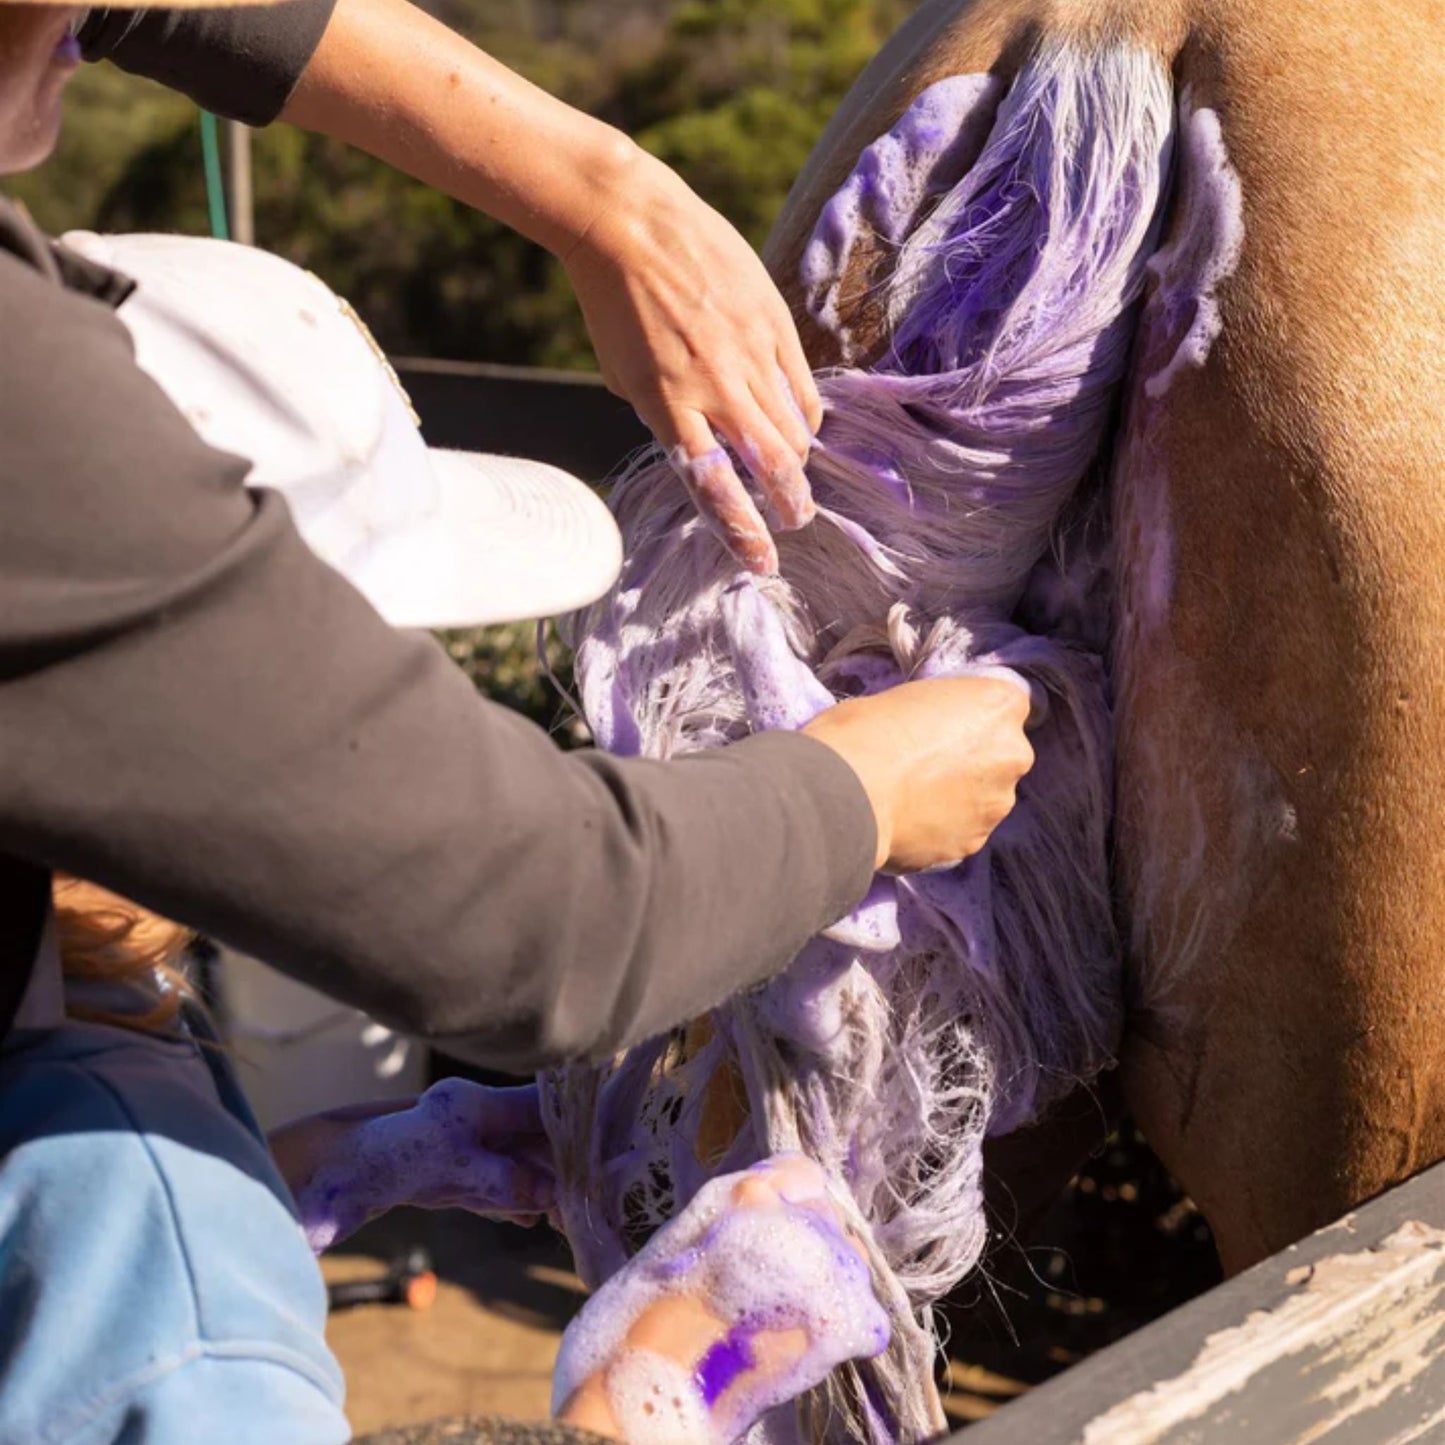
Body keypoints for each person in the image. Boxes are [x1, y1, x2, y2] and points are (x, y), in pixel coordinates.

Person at [0, 0, 1034, 1438]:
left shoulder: (73, 1131)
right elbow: (548, 913)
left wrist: (269, 1156)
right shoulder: (168, 1284)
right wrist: (662, 1391)